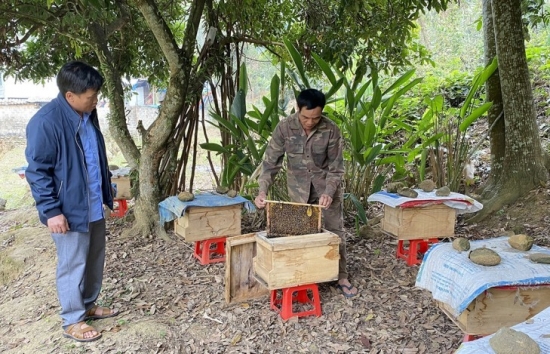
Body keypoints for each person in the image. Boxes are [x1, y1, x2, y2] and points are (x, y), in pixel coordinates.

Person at [25, 61, 118, 342]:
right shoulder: (46, 122)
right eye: (91, 96)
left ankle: (88, 305)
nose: (96, 101)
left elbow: (92, 158)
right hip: (67, 208)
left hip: (92, 203)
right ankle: (72, 320)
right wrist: (51, 210)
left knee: (93, 259)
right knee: (72, 263)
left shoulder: (87, 115)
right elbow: (37, 171)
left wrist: (106, 192)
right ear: (70, 96)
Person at [255, 88, 358, 298]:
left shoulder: (331, 129)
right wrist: (262, 190)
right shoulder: (284, 127)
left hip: (326, 188)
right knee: (301, 232)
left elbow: (336, 167)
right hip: (298, 189)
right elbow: (270, 163)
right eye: (305, 117)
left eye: (315, 118)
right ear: (297, 109)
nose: (310, 122)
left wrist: (329, 192)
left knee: (334, 231)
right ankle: (307, 274)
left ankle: (340, 276)